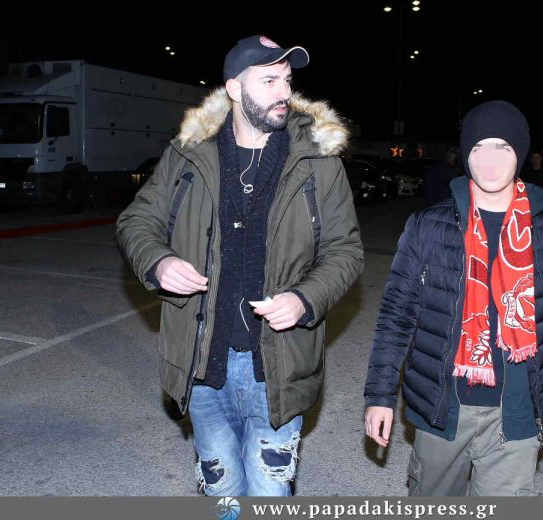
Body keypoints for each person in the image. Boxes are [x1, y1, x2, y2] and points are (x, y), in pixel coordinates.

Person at [116, 34, 363, 496]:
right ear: (234, 88)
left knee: (269, 492)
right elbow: (136, 221)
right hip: (202, 363)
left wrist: (304, 298)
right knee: (223, 491)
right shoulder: (188, 153)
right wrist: (159, 262)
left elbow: (345, 250)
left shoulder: (317, 160)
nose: (283, 92)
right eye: (268, 81)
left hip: (279, 365)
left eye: (286, 80)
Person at [364, 100, 543, 496]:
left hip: (518, 412)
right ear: (465, 154)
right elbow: (396, 317)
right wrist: (379, 395)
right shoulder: (428, 227)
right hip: (442, 407)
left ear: (520, 153)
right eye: (479, 146)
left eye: (503, 146)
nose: (490, 159)